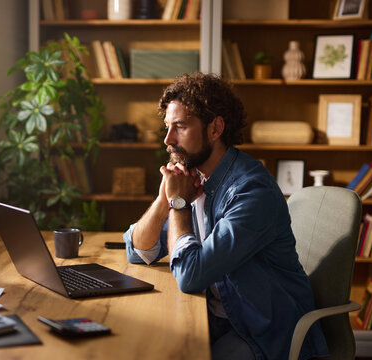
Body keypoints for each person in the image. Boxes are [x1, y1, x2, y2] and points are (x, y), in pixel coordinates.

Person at [122, 72, 329, 360]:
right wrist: (163, 199)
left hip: (262, 332)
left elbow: (190, 275)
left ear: (215, 128)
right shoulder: (194, 179)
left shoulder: (251, 192)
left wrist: (179, 203)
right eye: (167, 127)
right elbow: (138, 251)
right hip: (219, 316)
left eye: (180, 127)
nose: (168, 139)